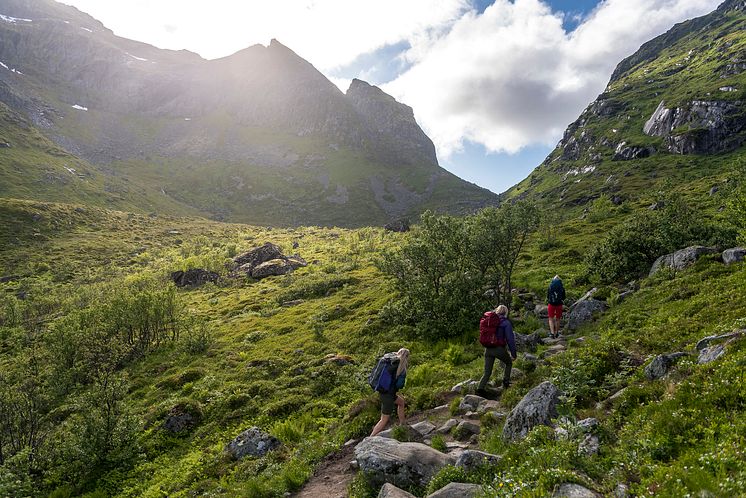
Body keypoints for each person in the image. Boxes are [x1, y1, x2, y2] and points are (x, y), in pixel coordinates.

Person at [477, 305, 516, 396]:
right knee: (509, 363)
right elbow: (510, 339)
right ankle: (505, 384)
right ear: (506, 312)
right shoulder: (506, 323)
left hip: (488, 349)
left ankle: (480, 389)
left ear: (497, 311)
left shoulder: (489, 320)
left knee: (487, 372)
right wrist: (513, 354)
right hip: (498, 349)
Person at [370, 348, 409, 436]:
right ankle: (370, 437)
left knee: (401, 402)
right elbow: (400, 385)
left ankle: (403, 424)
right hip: (388, 395)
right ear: (407, 357)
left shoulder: (390, 361)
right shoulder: (401, 367)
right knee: (384, 419)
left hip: (384, 391)